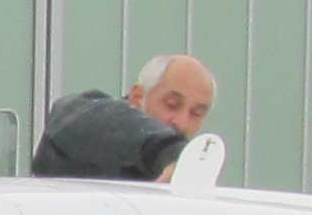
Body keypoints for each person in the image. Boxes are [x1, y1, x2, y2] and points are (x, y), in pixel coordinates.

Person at [31, 54, 217, 179]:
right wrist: (170, 151)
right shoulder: (82, 117)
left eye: (196, 113)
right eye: (172, 104)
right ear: (137, 97)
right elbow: (71, 112)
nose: (182, 122)